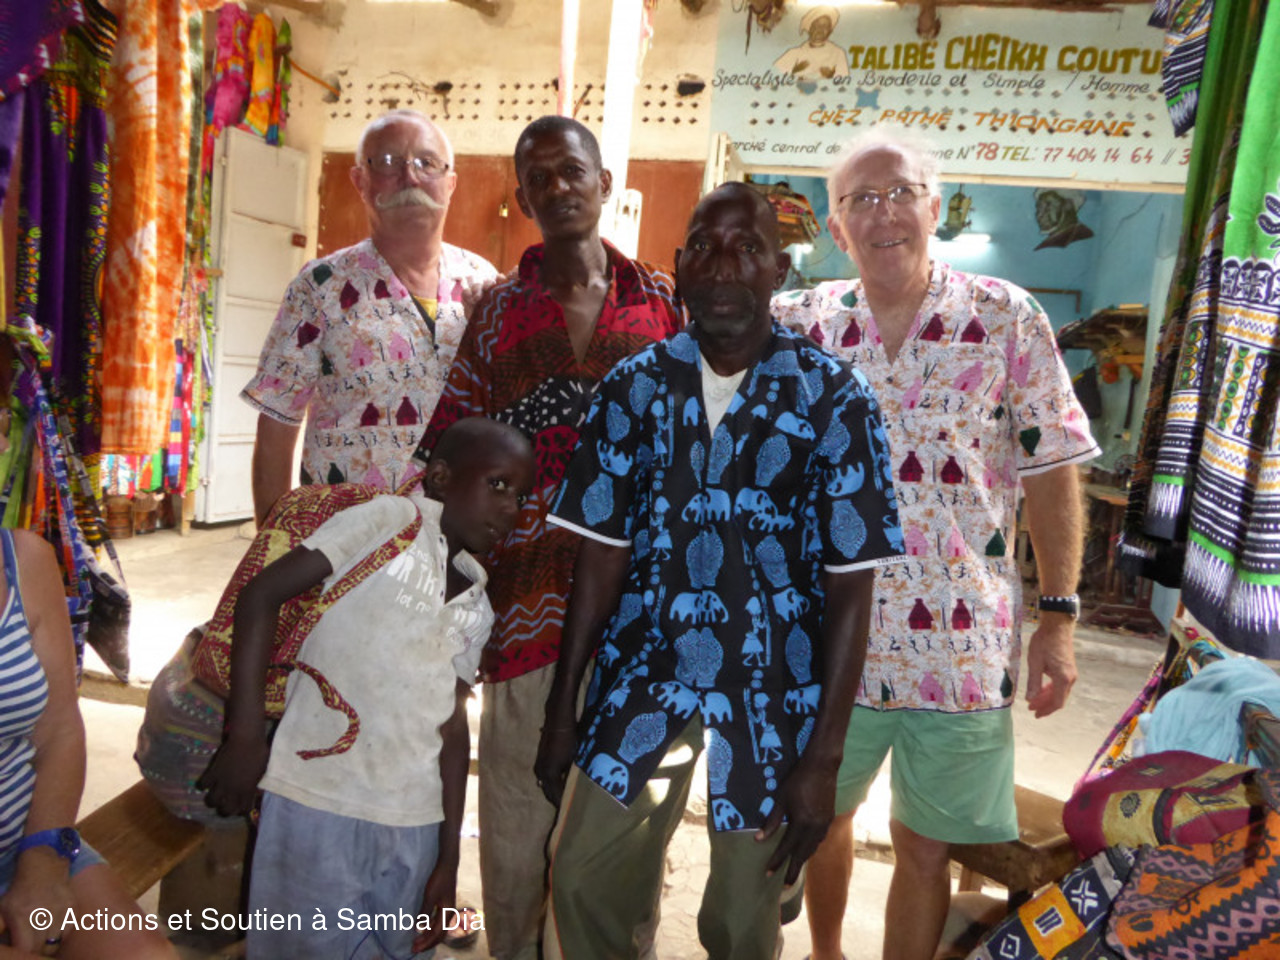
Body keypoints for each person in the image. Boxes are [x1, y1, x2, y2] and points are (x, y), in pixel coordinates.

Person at [534, 183, 905, 960]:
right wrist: (562, 709)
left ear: (779, 269)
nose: (724, 266)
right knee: (581, 876)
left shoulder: (834, 399)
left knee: (743, 918)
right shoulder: (632, 389)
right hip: (644, 671)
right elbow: (600, 557)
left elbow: (851, 587)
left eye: (747, 249)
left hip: (775, 689)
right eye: (705, 247)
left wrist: (823, 761)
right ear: (680, 265)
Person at [773, 128, 1100, 960]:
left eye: (901, 193)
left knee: (924, 845)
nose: (884, 213)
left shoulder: (1006, 317)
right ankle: (825, 953)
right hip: (827, 641)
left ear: (935, 207)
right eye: (861, 199)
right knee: (820, 817)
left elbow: (1053, 466)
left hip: (959, 646)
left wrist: (1058, 617)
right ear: (835, 226)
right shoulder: (800, 324)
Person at [412, 115, 681, 960]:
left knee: (620, 841)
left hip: (639, 619)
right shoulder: (499, 311)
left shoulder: (663, 301)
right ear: (524, 200)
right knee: (519, 830)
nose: (559, 188)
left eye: (572, 171)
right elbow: (452, 451)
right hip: (526, 608)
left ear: (605, 184)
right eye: (539, 179)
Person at [199, 418, 535, 960]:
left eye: (520, 496)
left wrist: (448, 859)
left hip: (414, 824)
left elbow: (452, 729)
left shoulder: (479, 603)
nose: (510, 508)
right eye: (497, 484)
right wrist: (244, 739)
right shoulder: (388, 521)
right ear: (441, 477)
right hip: (315, 801)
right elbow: (260, 596)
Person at [242, 109, 498, 526]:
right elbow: (277, 423)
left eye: (427, 163)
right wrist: (273, 543)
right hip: (345, 538)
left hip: (457, 535)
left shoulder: (482, 282)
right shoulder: (320, 286)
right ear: (359, 180)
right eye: (388, 162)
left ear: (450, 184)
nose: (410, 177)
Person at [0, 528, 176, 960]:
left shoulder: (23, 560)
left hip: (22, 837)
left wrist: (44, 861)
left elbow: (59, 729)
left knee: (146, 956)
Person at [772, 6, 849, 81]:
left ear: (830, 31)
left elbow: (845, 83)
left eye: (825, 26)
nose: (820, 29)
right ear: (809, 28)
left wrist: (831, 76)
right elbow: (773, 77)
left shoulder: (838, 53)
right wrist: (793, 71)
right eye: (816, 25)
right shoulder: (793, 53)